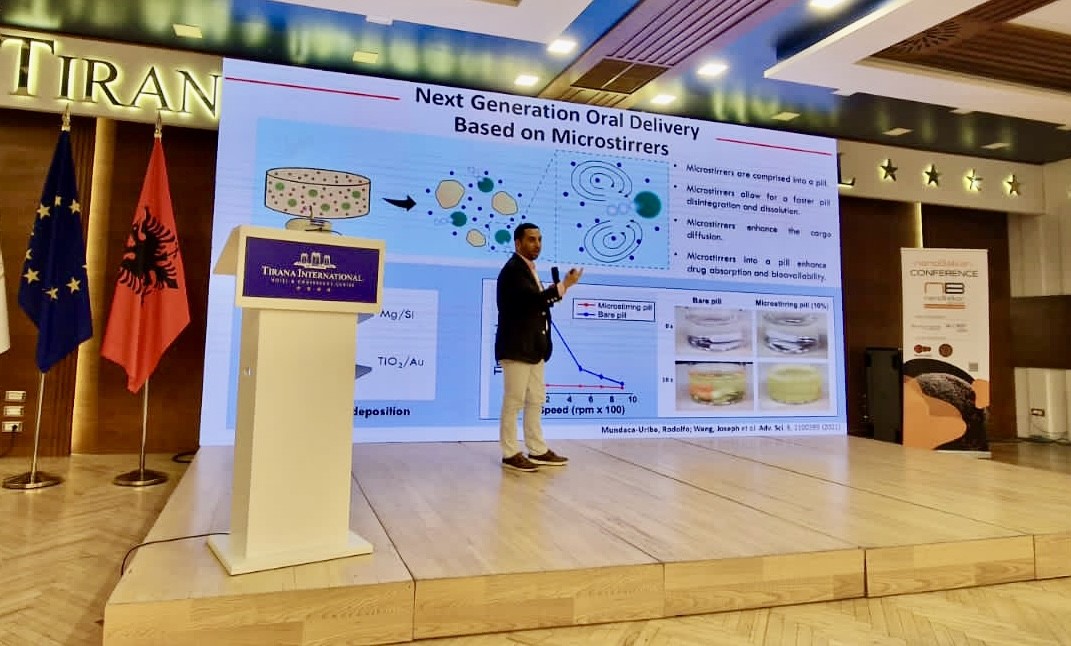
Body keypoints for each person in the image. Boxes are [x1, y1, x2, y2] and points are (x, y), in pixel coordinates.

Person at [495, 223, 582, 472]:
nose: (537, 244)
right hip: (517, 347)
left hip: (533, 348)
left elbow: (537, 304)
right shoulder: (514, 270)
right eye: (531, 239)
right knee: (514, 401)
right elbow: (532, 302)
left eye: (540, 239)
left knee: (535, 399)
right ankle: (510, 453)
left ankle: (537, 449)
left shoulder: (527, 270)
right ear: (518, 243)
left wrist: (559, 289)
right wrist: (564, 285)